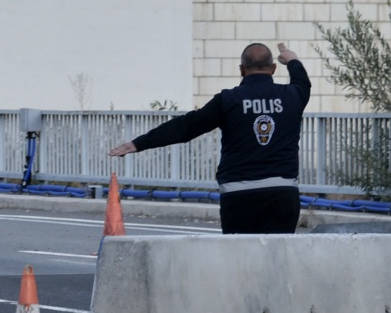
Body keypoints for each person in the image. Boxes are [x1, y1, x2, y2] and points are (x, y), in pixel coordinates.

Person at [109, 42, 311, 234]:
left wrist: (139, 143)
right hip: (282, 192)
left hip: (238, 194)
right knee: (277, 254)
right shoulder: (293, 95)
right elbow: (302, 81)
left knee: (240, 255)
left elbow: (187, 126)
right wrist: (292, 60)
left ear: (241, 69)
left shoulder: (228, 100)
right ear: (273, 68)